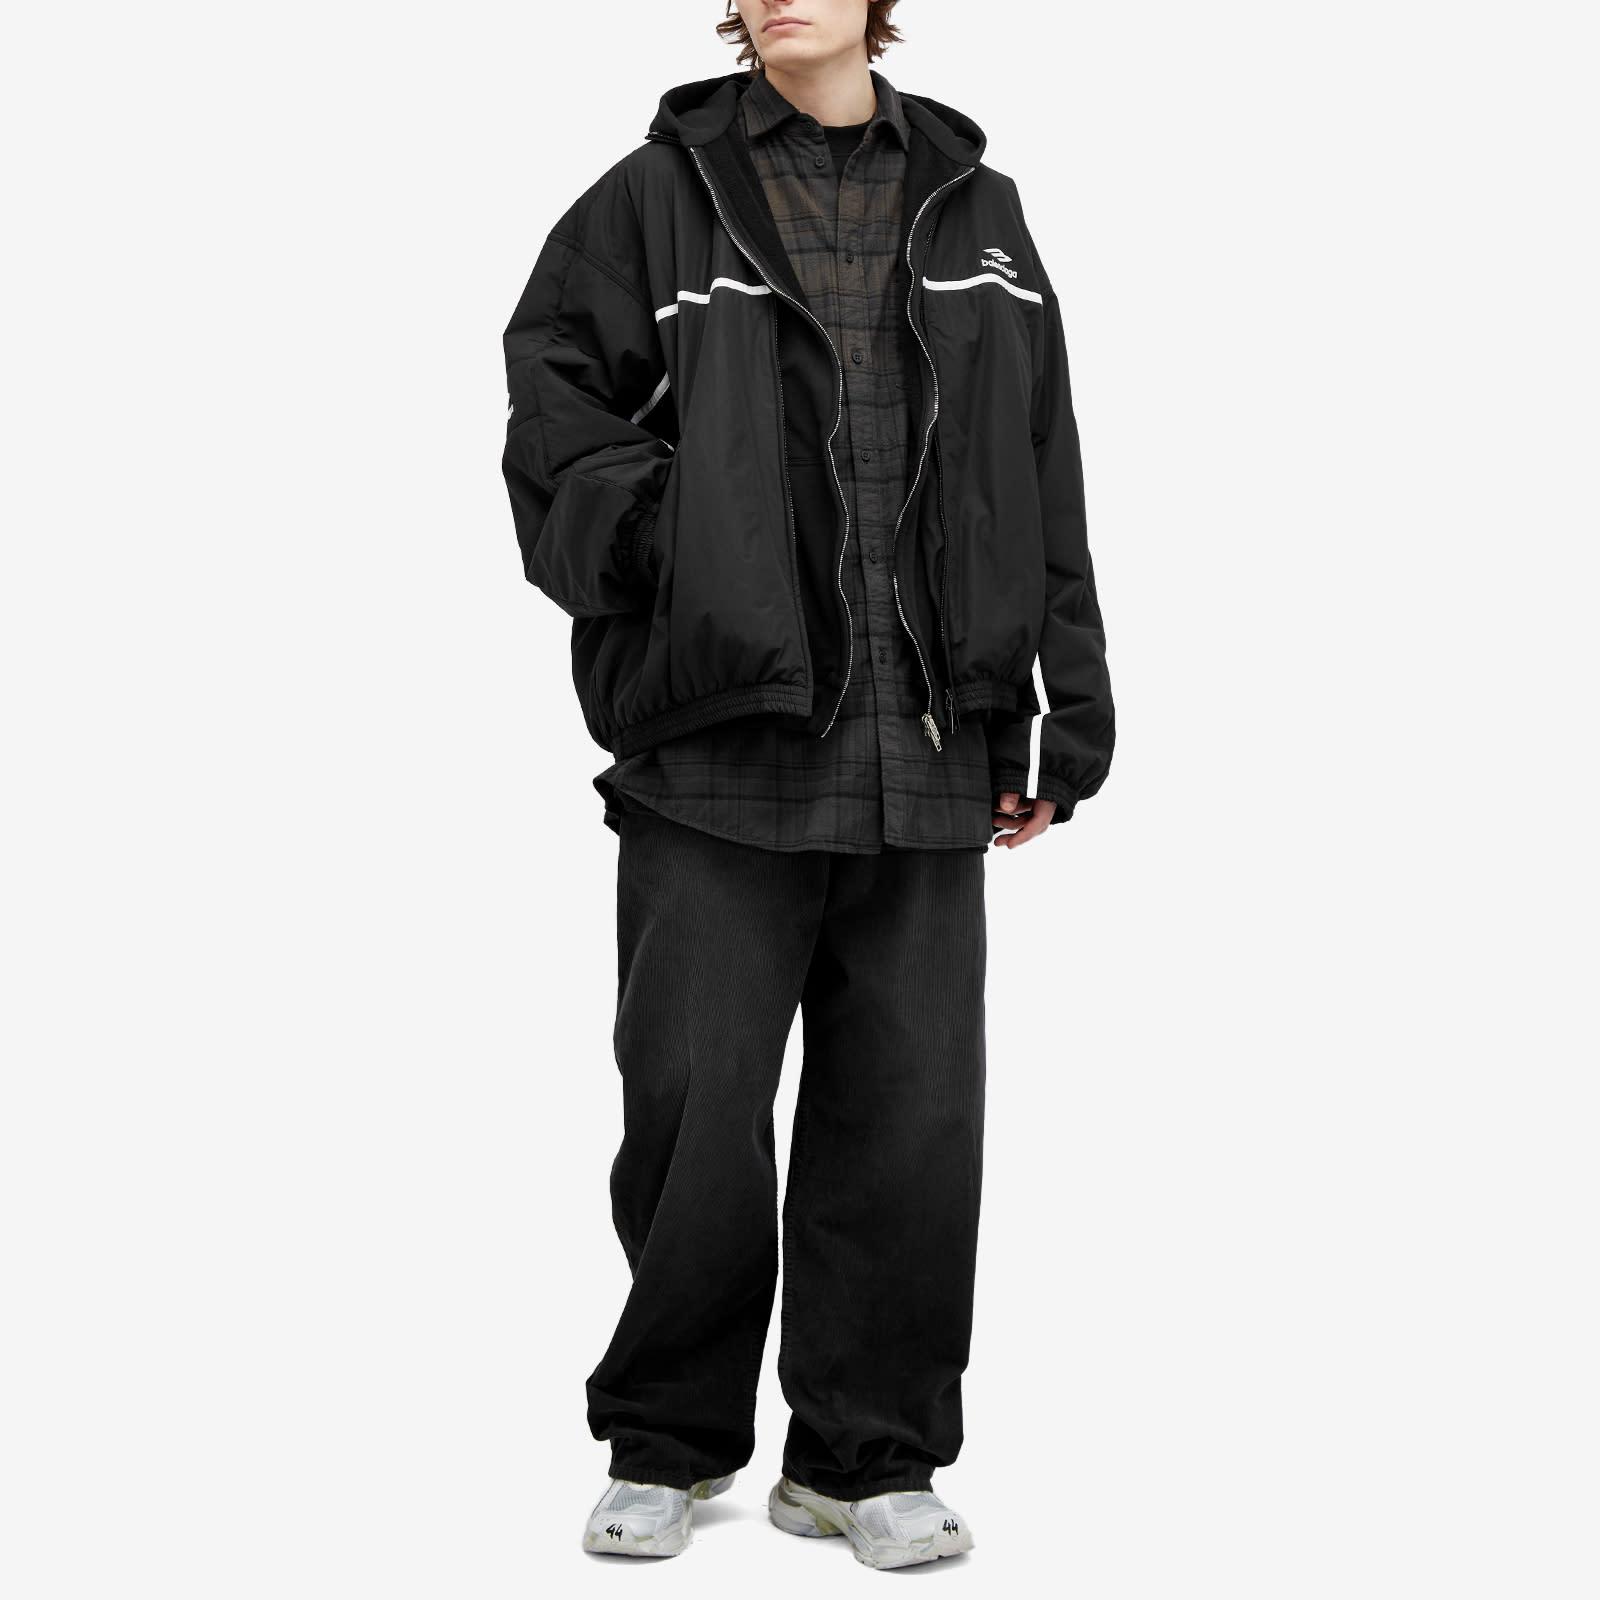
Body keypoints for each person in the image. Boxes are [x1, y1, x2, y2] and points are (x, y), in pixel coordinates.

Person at [500, 0, 1114, 1571]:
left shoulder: (980, 209)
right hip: (722, 745)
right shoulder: (656, 195)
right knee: (694, 1116)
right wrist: (674, 544)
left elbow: (1039, 458)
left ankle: (865, 1458)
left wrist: (1065, 704)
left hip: (929, 744)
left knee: (910, 1123)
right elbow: (555, 409)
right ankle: (668, 1443)